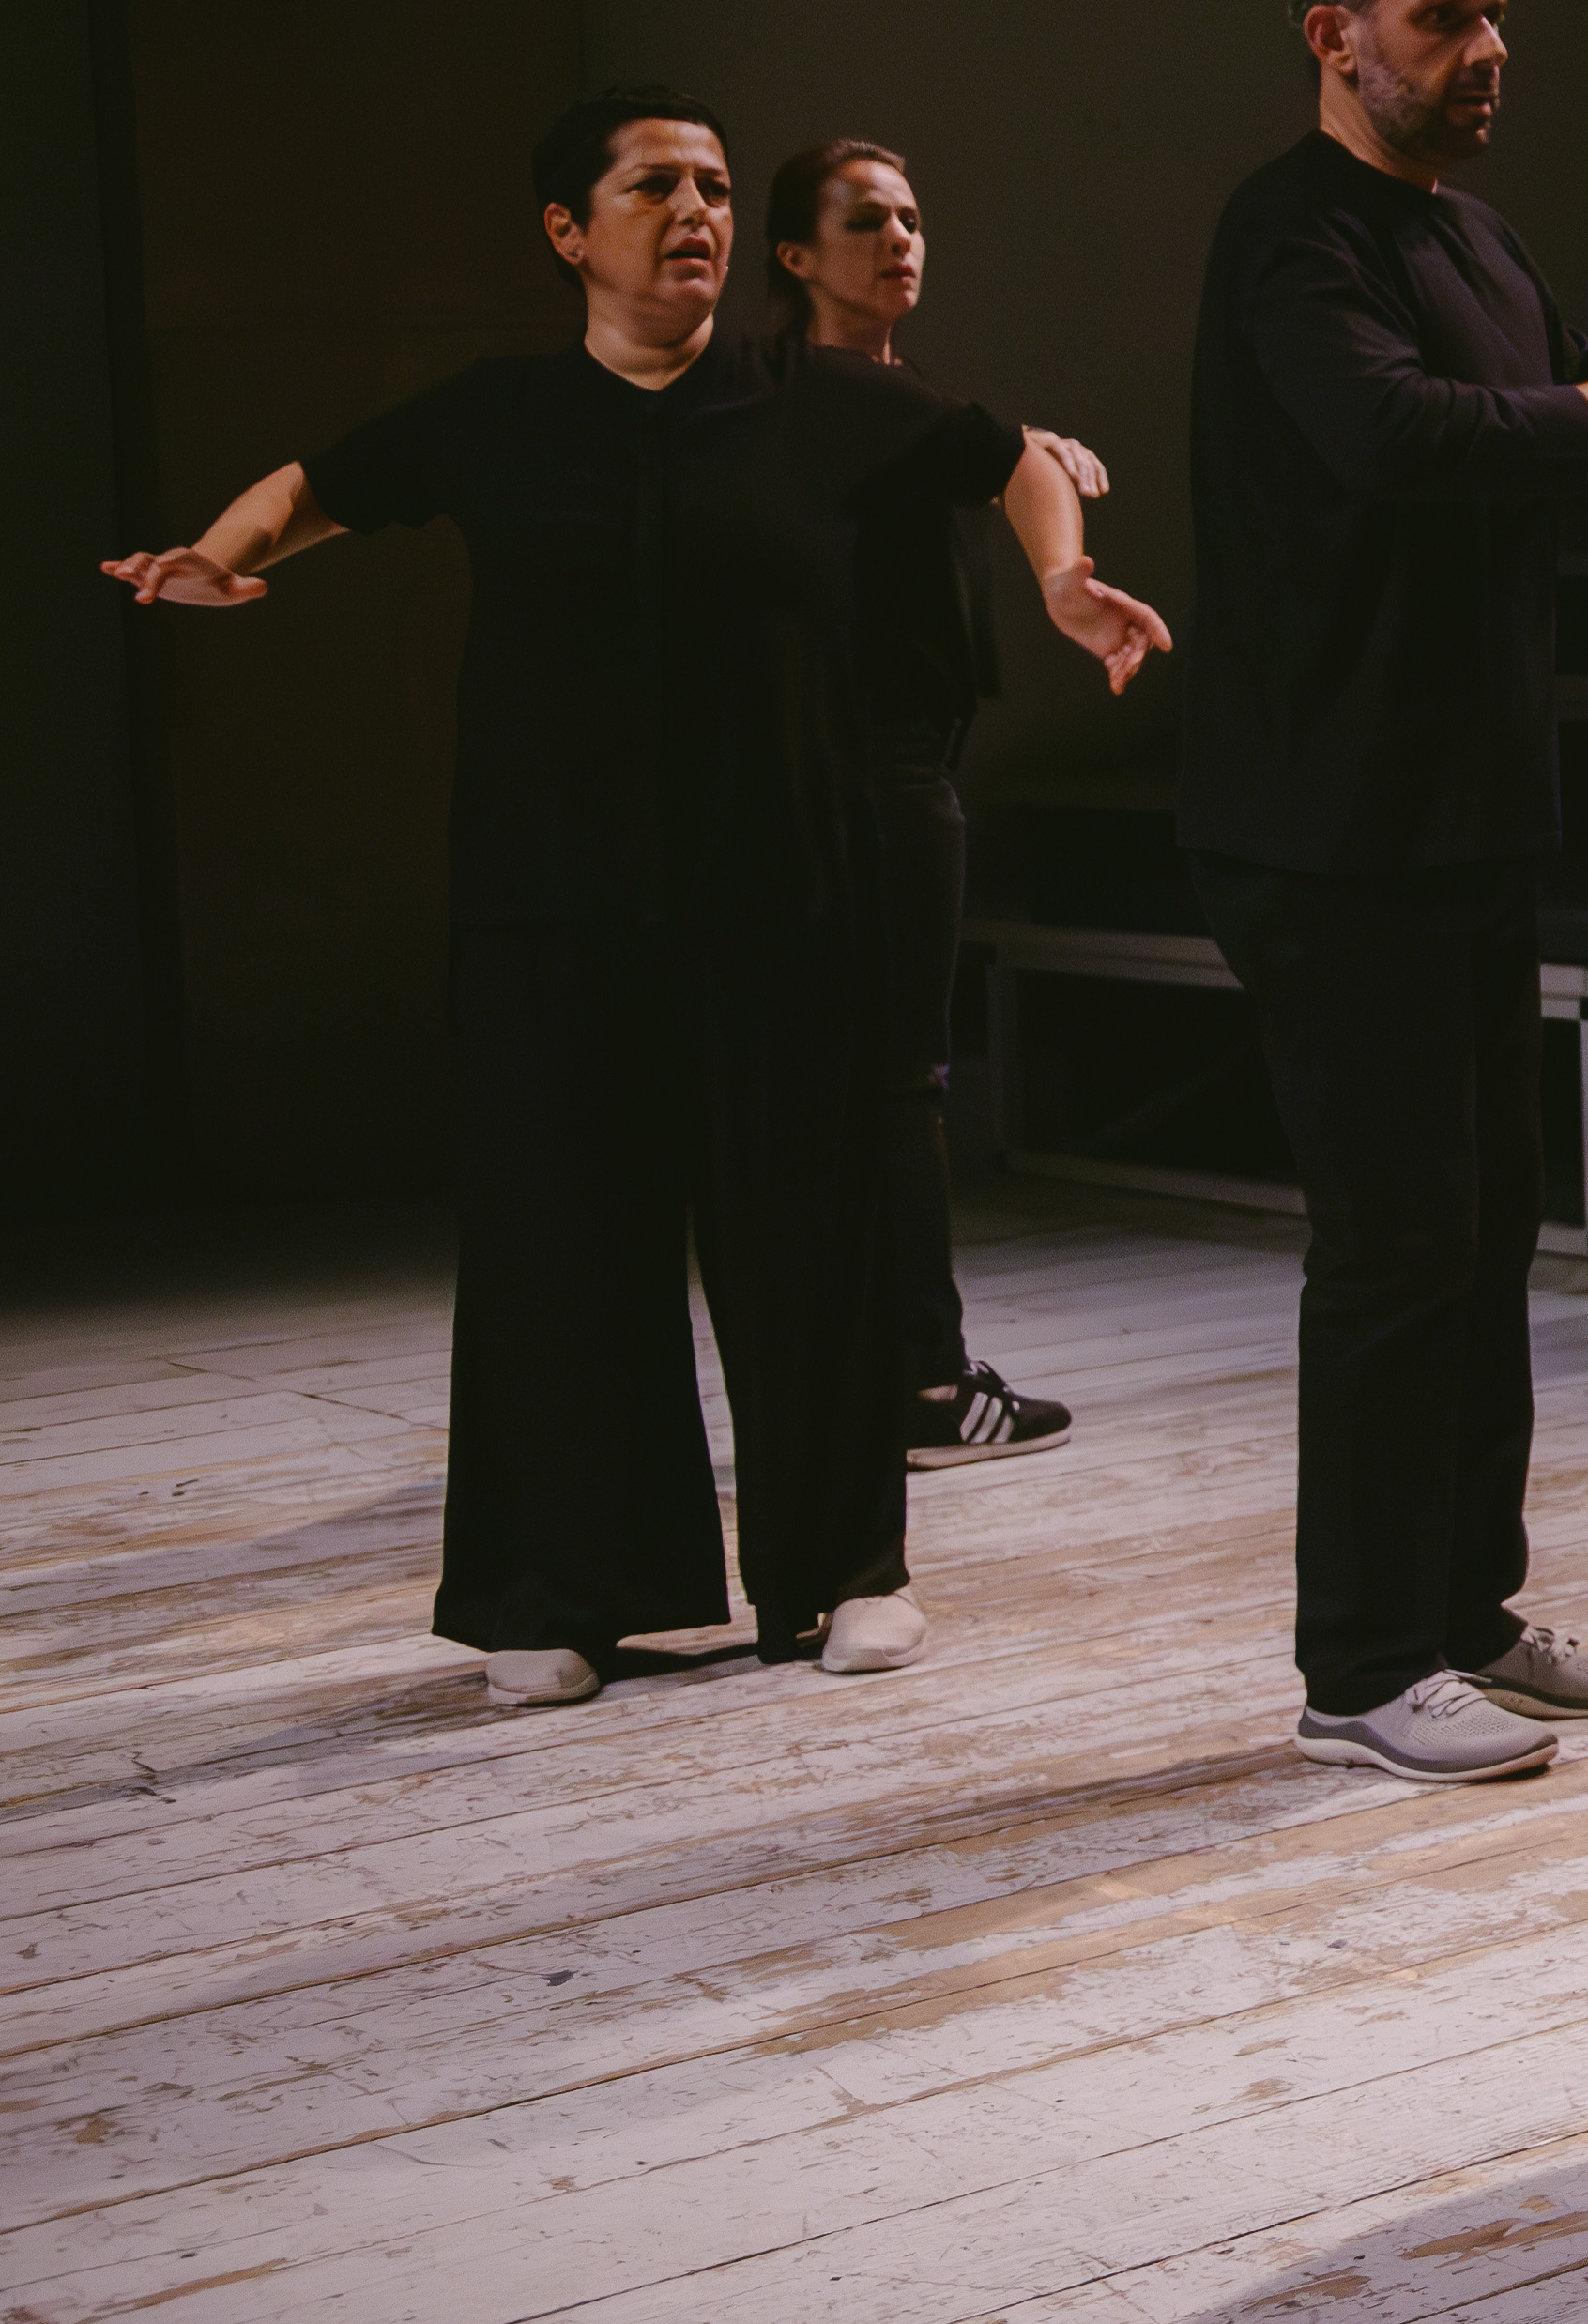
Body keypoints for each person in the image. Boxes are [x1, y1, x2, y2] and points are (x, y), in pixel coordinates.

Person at [106, 93, 1164, 1705]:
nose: (697, 211)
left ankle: (846, 1572)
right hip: (554, 905)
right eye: (656, 185)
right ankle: (560, 1592)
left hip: (778, 892)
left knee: (804, 1231)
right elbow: (326, 481)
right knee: (562, 1239)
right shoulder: (501, 414)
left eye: (717, 187)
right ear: (568, 229)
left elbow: (1009, 457)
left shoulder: (815, 400)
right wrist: (219, 550)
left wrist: (1063, 576)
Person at [1181, 0, 1588, 1787]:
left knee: (1482, 1240)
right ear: (1336, 35)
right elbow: (1393, 439)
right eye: (1443, 17)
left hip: (1471, 820)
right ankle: (1356, 1665)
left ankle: (1463, 1608)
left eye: (1493, 13)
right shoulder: (1288, 234)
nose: (1486, 49)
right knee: (1395, 1243)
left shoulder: (1480, 237)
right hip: (1331, 827)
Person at [762, 136, 1120, 1475]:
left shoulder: (876, 398)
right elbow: (1005, 460)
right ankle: (921, 1381)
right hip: (872, 774)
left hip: (869, 768)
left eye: (911, 218)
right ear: (796, 255)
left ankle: (869, 1372)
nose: (900, 239)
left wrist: (1029, 462)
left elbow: (999, 457)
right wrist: (1060, 565)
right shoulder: (821, 392)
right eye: (866, 220)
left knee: (862, 1081)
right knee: (892, 1081)